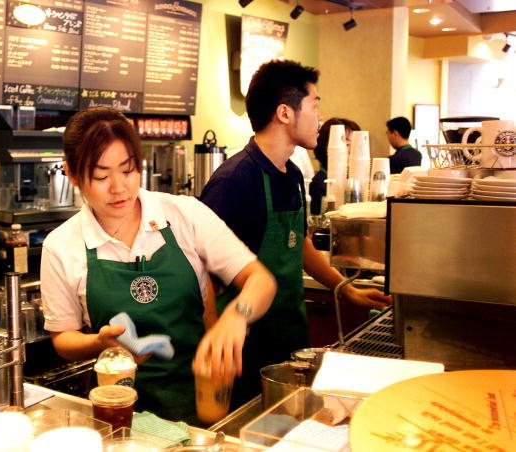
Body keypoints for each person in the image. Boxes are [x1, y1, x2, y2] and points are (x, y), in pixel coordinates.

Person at [40, 107, 276, 423]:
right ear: (72, 174)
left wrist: (237, 316)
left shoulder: (184, 214)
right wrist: (100, 343)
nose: (118, 187)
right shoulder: (61, 245)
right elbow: (63, 338)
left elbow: (260, 280)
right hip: (118, 414)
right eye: (101, 175)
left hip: (198, 405)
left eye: (128, 170)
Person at [200, 60, 391, 407]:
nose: (320, 117)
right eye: (315, 105)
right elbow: (201, 274)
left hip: (289, 338)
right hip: (244, 349)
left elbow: (298, 241)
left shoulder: (288, 174)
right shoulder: (234, 181)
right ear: (286, 113)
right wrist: (214, 340)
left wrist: (345, 289)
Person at [309, 118, 360, 214]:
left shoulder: (353, 182)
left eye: (356, 144)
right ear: (327, 147)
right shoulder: (320, 184)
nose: (353, 151)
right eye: (347, 144)